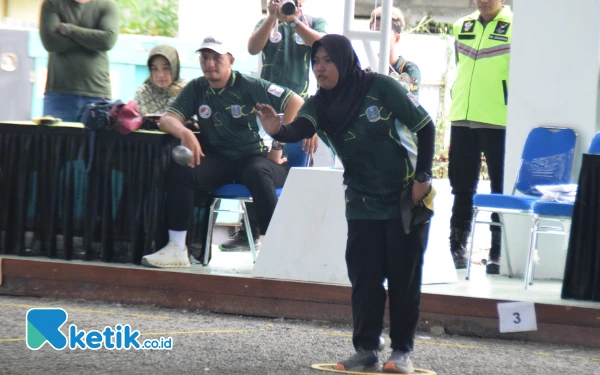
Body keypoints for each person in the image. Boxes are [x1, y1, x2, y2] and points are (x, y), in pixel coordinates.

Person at [255, 34, 436, 374]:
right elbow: (299, 128)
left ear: (344, 60)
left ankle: (401, 352)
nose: (320, 68)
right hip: (362, 200)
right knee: (364, 277)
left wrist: (422, 178)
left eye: (328, 60)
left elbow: (425, 127)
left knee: (403, 277)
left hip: (405, 195)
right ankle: (366, 349)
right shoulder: (320, 104)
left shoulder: (382, 87)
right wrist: (277, 129)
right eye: (316, 62)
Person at [141, 37, 304, 268]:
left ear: (230, 60)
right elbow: (167, 119)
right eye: (205, 57)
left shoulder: (248, 84)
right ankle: (177, 248)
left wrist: (278, 146)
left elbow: (295, 102)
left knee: (259, 173)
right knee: (182, 170)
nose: (210, 63)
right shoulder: (197, 87)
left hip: (253, 158)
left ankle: (272, 251)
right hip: (219, 160)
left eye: (217, 58)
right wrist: (186, 134)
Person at [218, 0, 325, 252]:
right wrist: (271, 18)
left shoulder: (312, 21)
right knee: (254, 162)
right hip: (264, 110)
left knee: (277, 167)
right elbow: (253, 48)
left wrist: (295, 21)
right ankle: (251, 230)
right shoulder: (267, 20)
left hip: (298, 110)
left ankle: (284, 235)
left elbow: (324, 45)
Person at [447, 0, 512, 274]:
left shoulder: (516, 27)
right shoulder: (462, 25)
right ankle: (457, 244)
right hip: (462, 117)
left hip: (499, 119)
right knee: (461, 186)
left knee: (500, 187)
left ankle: (498, 251)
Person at [39, 0, 119, 122]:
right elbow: (51, 43)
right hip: (59, 94)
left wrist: (69, 30)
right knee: (55, 140)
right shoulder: (52, 3)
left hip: (97, 95)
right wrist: (92, 39)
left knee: (96, 141)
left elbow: (107, 41)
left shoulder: (107, 4)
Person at [368, 5, 422, 168]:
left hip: (405, 146)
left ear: (396, 38)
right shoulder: (366, 71)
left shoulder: (409, 70)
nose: (378, 39)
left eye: (383, 34)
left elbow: (405, 106)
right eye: (374, 33)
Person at [134, 45, 187, 115]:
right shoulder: (143, 92)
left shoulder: (186, 92)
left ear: (174, 68)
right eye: (155, 69)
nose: (160, 75)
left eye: (166, 68)